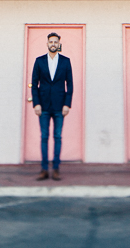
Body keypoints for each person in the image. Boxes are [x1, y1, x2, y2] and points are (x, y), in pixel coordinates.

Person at [31, 32, 73, 180]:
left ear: (59, 44)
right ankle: (44, 169)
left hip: (59, 106)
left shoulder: (66, 62)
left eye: (56, 42)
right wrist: (36, 103)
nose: (53, 44)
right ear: (47, 44)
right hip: (43, 106)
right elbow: (34, 85)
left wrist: (67, 104)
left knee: (57, 136)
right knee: (44, 137)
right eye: (51, 42)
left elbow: (70, 85)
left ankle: (55, 168)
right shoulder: (39, 61)